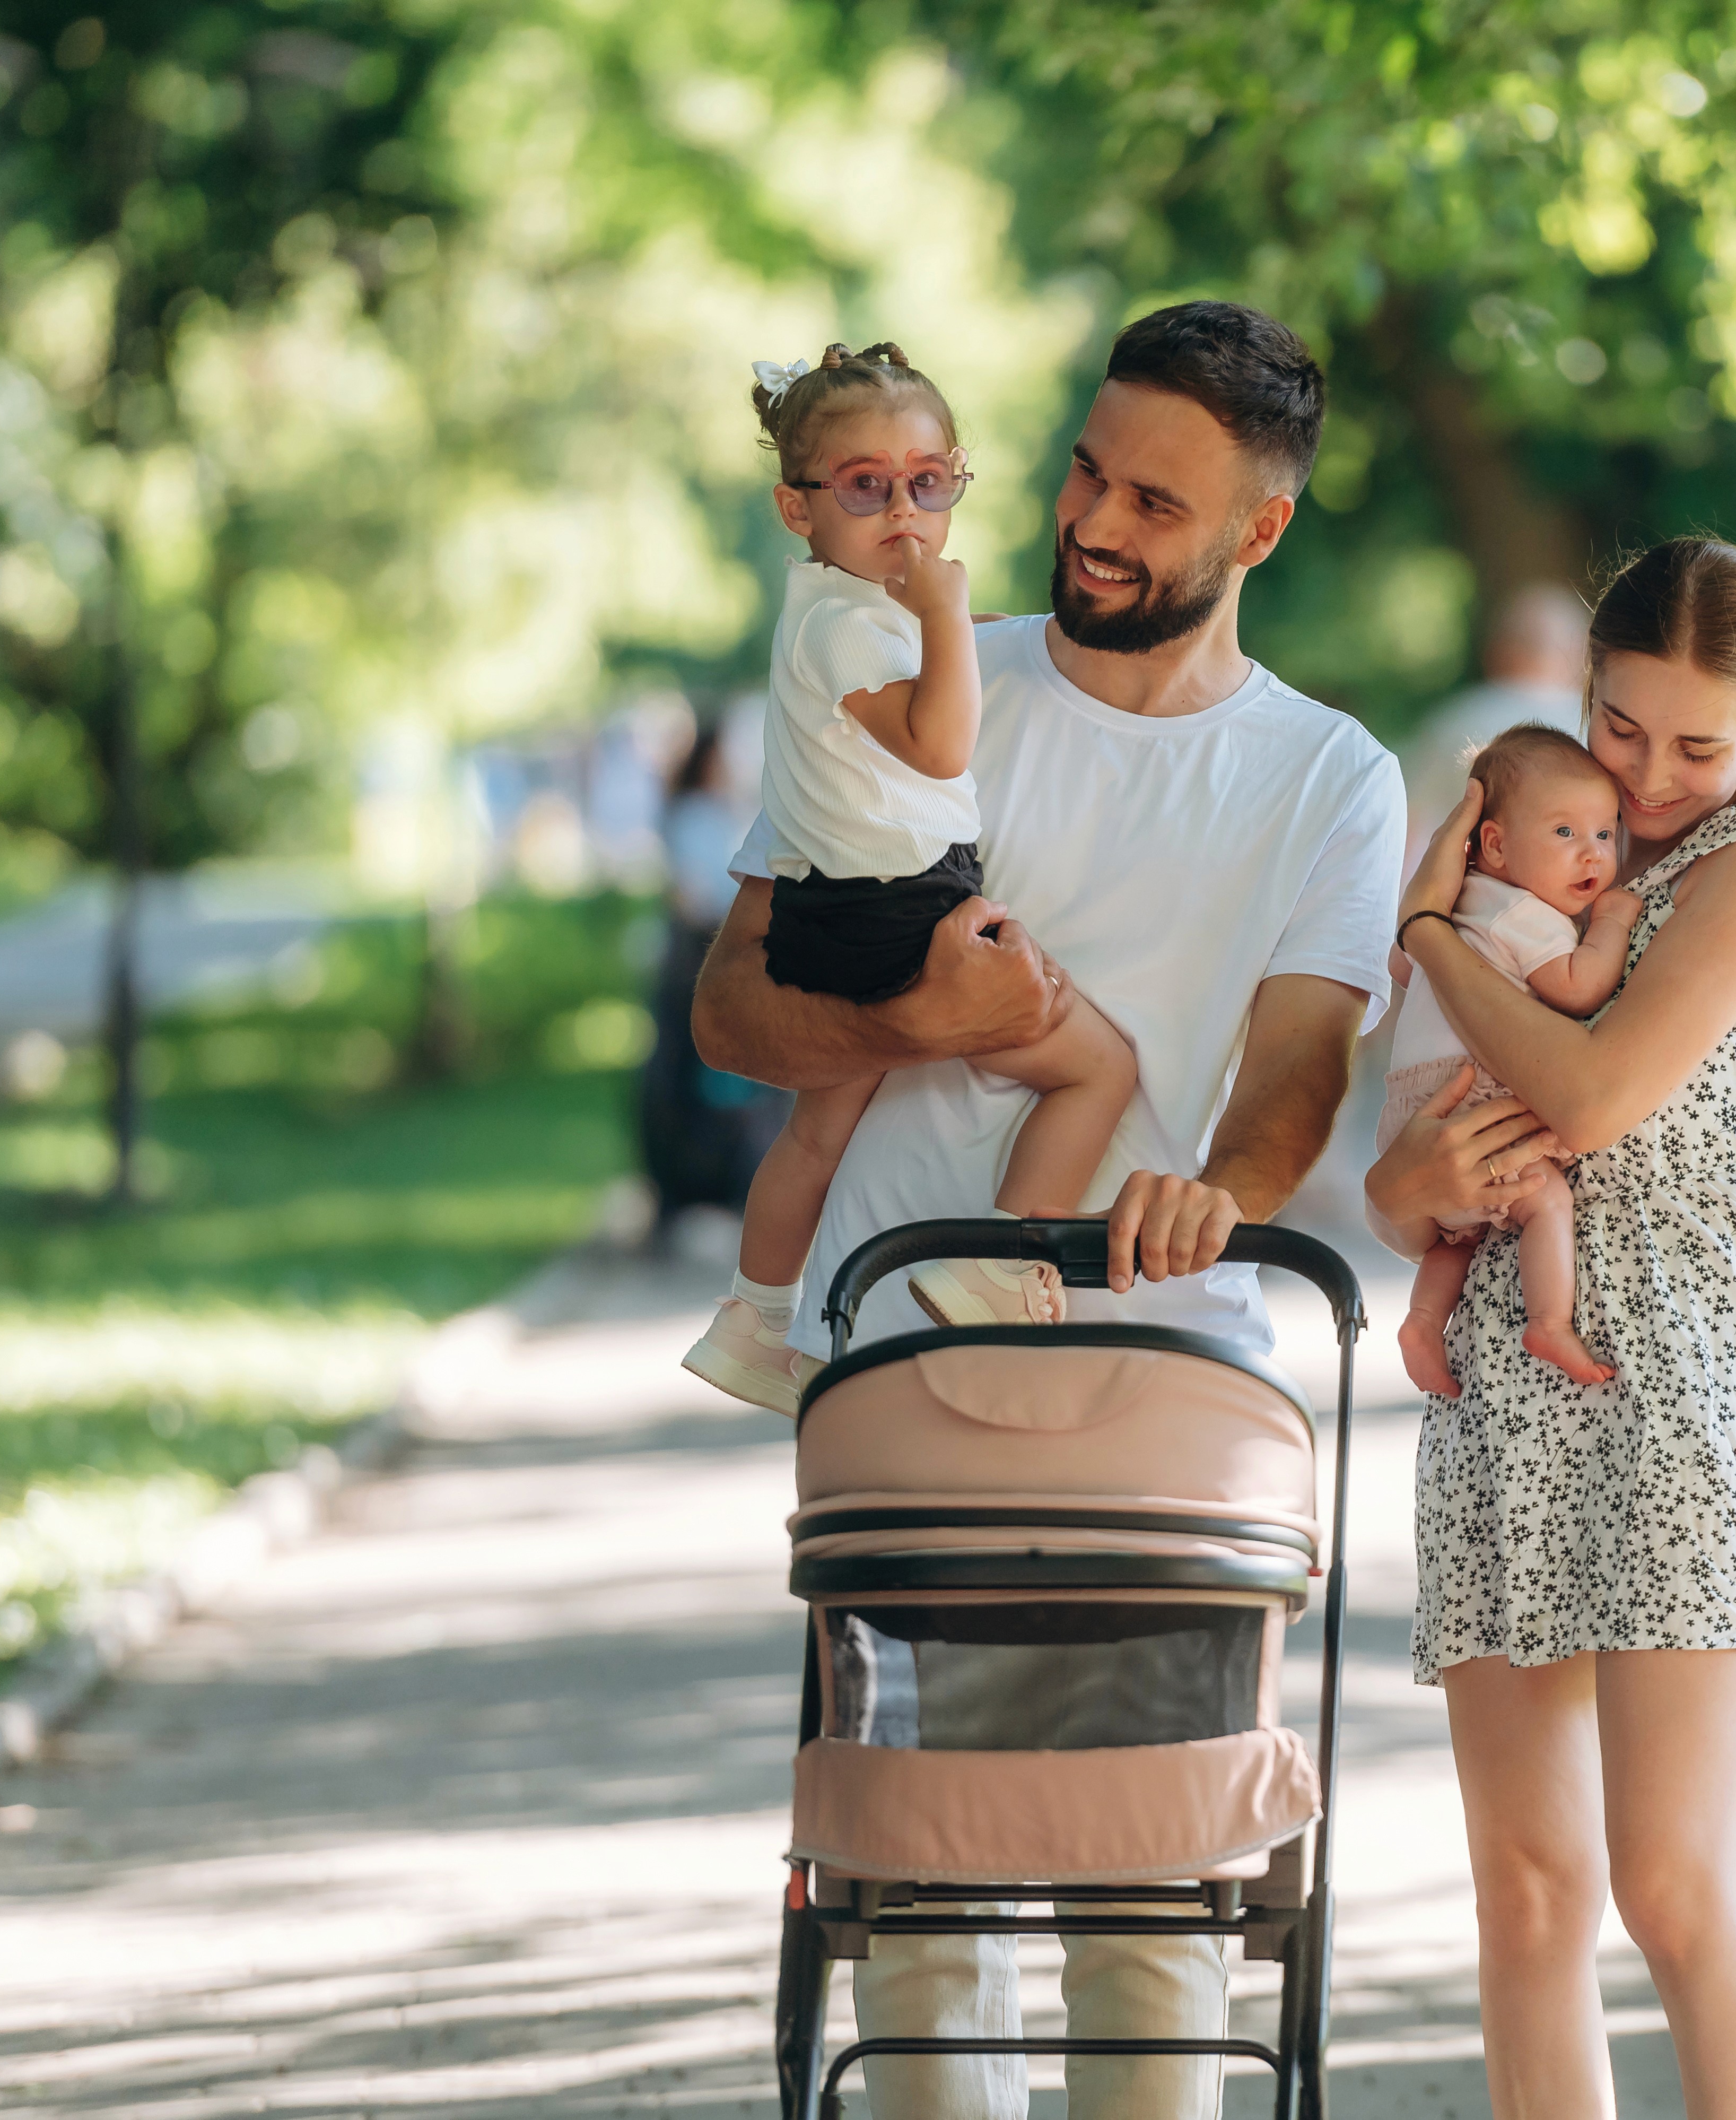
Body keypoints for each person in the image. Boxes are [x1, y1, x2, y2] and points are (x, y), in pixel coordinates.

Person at [692, 301, 1399, 2120]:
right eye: (1085, 466)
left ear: (1257, 531)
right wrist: (905, 1023)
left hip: (1159, 1387)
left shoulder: (1327, 774)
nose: (1090, 517)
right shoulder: (915, 673)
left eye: (1153, 501)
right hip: (906, 1371)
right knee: (914, 1882)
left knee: (1147, 1883)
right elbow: (733, 1003)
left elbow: (1299, 1067)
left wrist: (1213, 1191)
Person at [1366, 537, 1736, 2119]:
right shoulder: (1566, 850)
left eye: (1696, 743)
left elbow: (1590, 1097)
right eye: (1622, 724)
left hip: (1682, 1391)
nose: (1651, 775)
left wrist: (1434, 930)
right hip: (1509, 1377)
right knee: (1526, 1895)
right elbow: (1414, 1170)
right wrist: (1408, 1195)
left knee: (1668, 1885)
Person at [684, 343, 1138, 1413]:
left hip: (830, 905)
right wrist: (947, 615)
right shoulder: (851, 622)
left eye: (930, 483)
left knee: (819, 1133)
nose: (906, 513)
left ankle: (754, 1321)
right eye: (866, 488)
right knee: (1095, 1069)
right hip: (904, 907)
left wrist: (941, 626)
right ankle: (998, 1262)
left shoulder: (846, 613)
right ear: (798, 508)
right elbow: (938, 747)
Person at [1380, 724, 1638, 1396]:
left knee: (1454, 1240)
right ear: (1493, 844)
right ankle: (1550, 1321)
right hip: (1473, 1090)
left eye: (1606, 834)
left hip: (1416, 1102)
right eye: (1564, 834)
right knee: (1543, 1198)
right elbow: (1577, 990)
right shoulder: (1525, 915)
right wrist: (1610, 924)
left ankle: (1422, 1319)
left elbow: (1404, 970)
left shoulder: (1457, 901)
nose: (1593, 855)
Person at [639, 721, 790, 1236]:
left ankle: (731, 1178)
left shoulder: (725, 811)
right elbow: (695, 894)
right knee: (693, 1073)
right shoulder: (692, 816)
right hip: (698, 957)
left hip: (726, 950)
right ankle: (691, 1184)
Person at [1399, 580, 1590, 873]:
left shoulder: (1454, 720)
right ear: (1582, 654)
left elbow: (1408, 831)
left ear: (1496, 649)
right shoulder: (1596, 728)